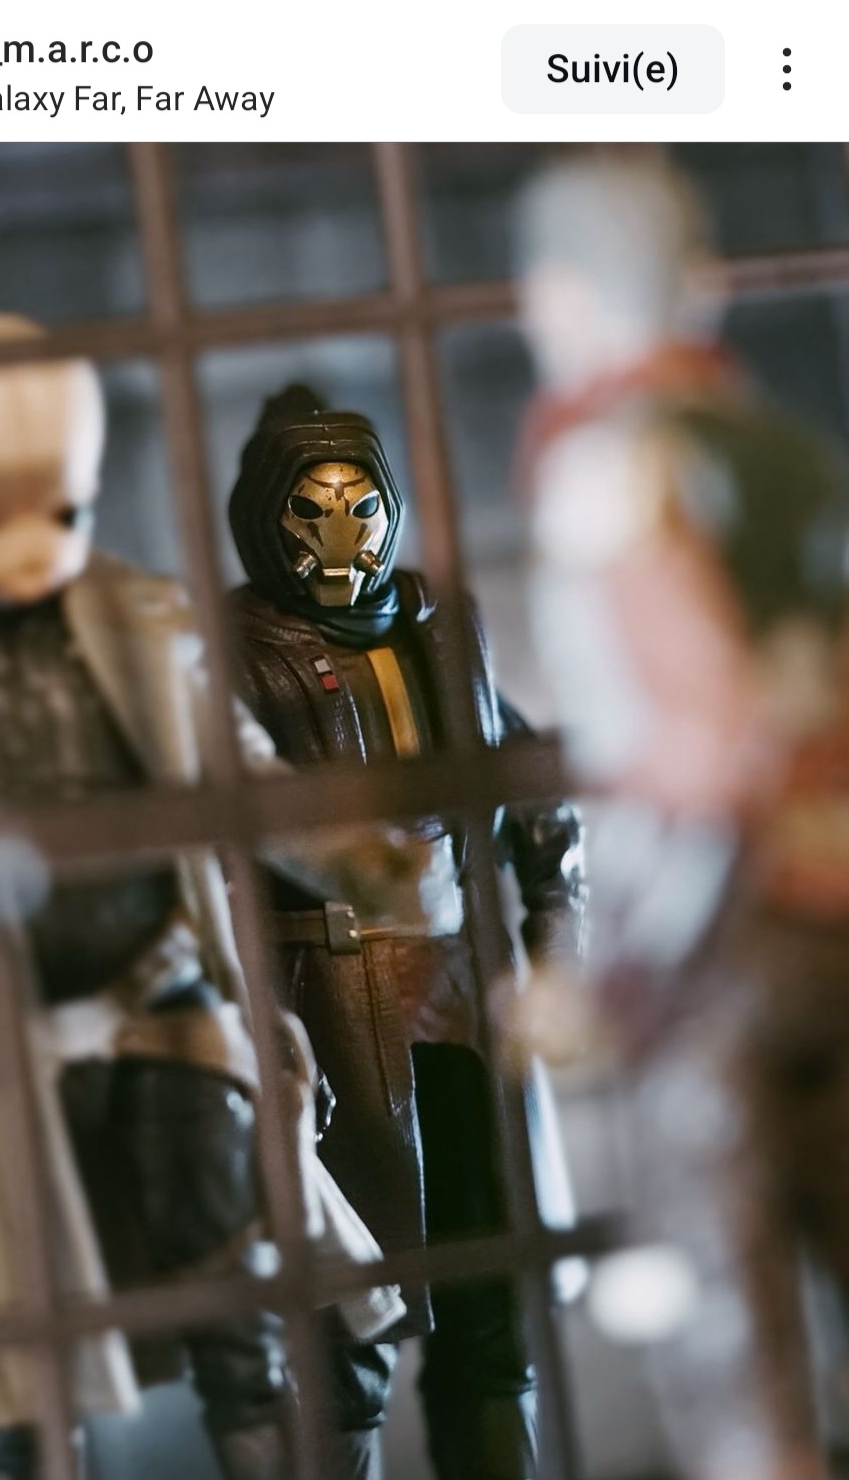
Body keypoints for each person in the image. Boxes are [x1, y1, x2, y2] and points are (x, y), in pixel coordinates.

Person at [0, 316, 411, 1480]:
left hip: (158, 998)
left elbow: (247, 779)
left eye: (65, 516)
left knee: (242, 1291)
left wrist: (363, 856)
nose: (31, 553)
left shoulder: (146, 622)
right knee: (16, 1352)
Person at [514, 153, 849, 1480]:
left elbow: (698, 739)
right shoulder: (792, 450)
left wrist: (609, 965)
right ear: (704, 286)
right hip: (833, 902)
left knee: (735, 1350)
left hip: (720, 929)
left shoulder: (607, 465)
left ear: (557, 297)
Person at [227, 385, 585, 1480]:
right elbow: (217, 847)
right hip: (329, 1009)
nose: (341, 538)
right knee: (349, 1319)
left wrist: (557, 938)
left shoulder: (440, 631)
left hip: (465, 995)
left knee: (491, 1295)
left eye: (359, 506)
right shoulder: (236, 657)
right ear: (266, 519)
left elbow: (532, 788)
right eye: (311, 510)